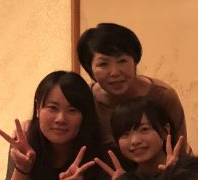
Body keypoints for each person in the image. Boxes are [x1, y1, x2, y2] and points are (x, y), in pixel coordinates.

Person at [76, 22, 188, 150]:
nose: (115, 72)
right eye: (103, 64)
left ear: (135, 61)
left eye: (122, 61)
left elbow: (180, 148)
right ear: (89, 68)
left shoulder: (163, 96)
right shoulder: (85, 97)